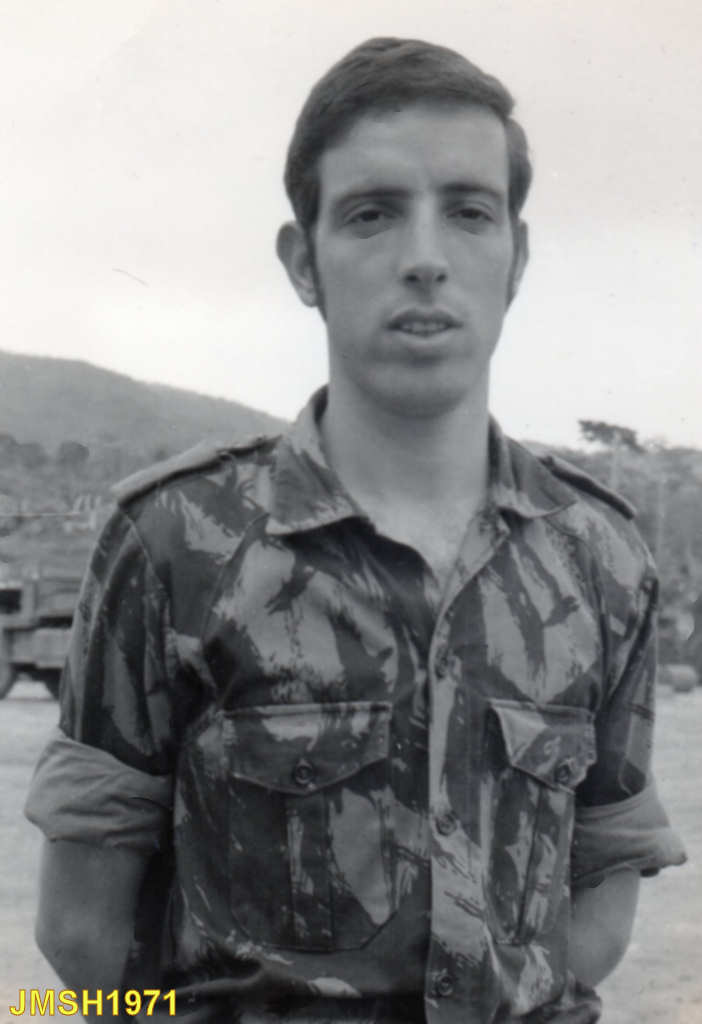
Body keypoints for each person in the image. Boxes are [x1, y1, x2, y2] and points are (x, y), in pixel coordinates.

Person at [26, 36, 685, 1024]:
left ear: (516, 258)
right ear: (305, 261)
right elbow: (82, 932)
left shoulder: (600, 556)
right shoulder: (175, 541)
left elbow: (599, 900)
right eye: (373, 213)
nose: (425, 259)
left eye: (468, 212)